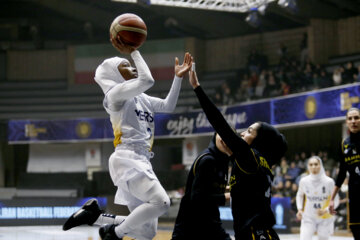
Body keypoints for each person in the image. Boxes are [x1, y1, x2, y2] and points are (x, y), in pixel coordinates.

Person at [62, 38, 193, 240]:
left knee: (146, 232)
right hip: (127, 158)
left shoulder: (142, 98)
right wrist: (133, 51)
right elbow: (147, 80)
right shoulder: (113, 95)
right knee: (162, 203)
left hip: (141, 161)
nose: (132, 68)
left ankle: (96, 217)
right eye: (125, 66)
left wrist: (177, 78)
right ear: (113, 73)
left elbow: (168, 106)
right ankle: (113, 233)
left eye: (131, 65)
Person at [188, 64, 288, 240]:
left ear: (258, 141)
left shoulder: (250, 157)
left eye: (249, 131)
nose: (242, 133)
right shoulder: (259, 162)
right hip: (258, 232)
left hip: (254, 234)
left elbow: (220, 123)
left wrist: (197, 88)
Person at [171, 133, 232, 240]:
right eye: (220, 133)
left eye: (228, 134)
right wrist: (229, 196)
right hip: (191, 224)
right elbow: (198, 198)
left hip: (210, 221)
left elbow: (210, 187)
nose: (224, 138)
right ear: (215, 136)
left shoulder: (222, 160)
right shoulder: (208, 160)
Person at [329, 107, 360, 240]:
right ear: (347, 122)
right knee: (356, 229)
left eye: (356, 118)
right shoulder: (344, 144)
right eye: (350, 118)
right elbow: (342, 174)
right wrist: (331, 199)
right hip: (354, 193)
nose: (353, 121)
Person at [296, 156, 339, 240]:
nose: (313, 167)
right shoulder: (304, 181)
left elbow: (336, 200)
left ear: (321, 165)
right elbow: (299, 195)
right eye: (311, 164)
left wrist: (326, 210)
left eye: (316, 164)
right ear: (308, 166)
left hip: (325, 218)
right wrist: (299, 209)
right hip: (308, 217)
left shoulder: (329, 182)